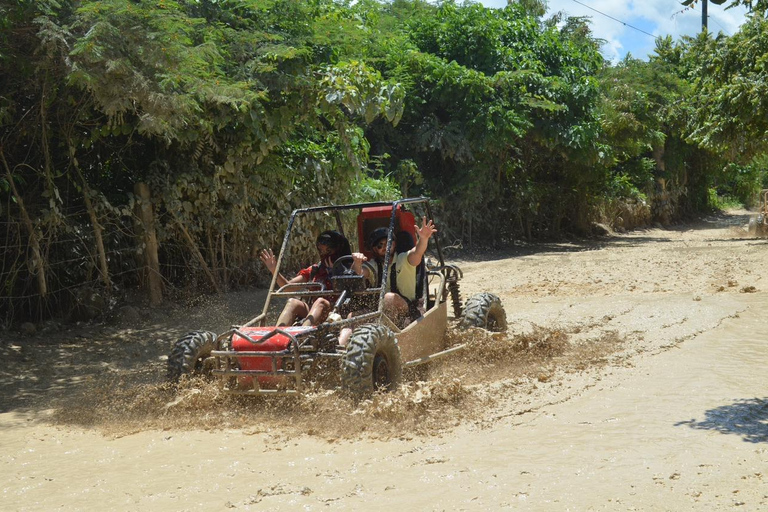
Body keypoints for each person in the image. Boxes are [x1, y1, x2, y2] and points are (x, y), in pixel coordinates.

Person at [260, 230, 351, 327]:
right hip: (313, 312)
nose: (324, 254)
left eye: (328, 251)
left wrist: (336, 272)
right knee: (293, 302)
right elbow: (287, 288)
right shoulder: (315, 270)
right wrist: (274, 270)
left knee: (320, 301)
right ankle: (278, 336)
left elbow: (356, 289)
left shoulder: (350, 269)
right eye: (321, 250)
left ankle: (302, 335)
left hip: (336, 312)